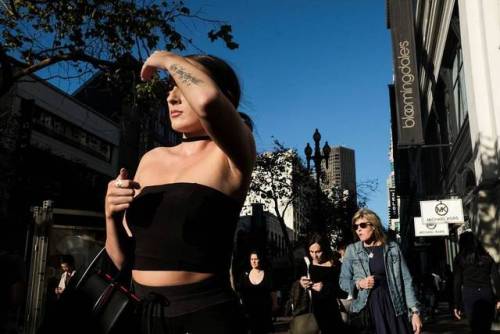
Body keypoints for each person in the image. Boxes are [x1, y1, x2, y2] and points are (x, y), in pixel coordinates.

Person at [104, 52, 256, 334]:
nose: (171, 97)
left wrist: (165, 58)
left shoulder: (233, 152)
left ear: (226, 96)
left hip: (205, 316)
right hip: (140, 315)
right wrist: (110, 215)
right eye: (169, 87)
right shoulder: (151, 158)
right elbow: (123, 260)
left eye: (182, 85)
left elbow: (208, 101)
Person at [339, 208, 422, 334]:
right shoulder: (352, 250)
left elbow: (406, 280)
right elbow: (343, 281)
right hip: (367, 308)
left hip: (393, 305)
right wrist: (359, 284)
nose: (358, 229)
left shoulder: (392, 248)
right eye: (355, 227)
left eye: (362, 225)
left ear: (374, 226)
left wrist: (415, 312)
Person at [452, 231, 500, 334]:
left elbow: (457, 282)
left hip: (469, 294)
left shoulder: (459, 259)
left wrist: (456, 304)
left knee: (475, 327)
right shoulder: (487, 257)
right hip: (486, 293)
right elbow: (496, 278)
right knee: (486, 327)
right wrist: (499, 298)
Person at [298, 234, 346, 333]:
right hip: (313, 311)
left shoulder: (336, 265)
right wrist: (302, 283)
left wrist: (325, 287)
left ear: (325, 249)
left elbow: (344, 292)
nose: (314, 255)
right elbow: (299, 283)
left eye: (318, 252)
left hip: (333, 312)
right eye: (311, 251)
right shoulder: (307, 265)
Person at [238, 251, 277, 334]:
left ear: (260, 260)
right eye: (251, 259)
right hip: (250, 311)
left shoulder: (267, 274)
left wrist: (275, 304)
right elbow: (241, 293)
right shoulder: (244, 275)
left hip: (264, 310)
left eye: (256, 259)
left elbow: (272, 291)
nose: (253, 261)